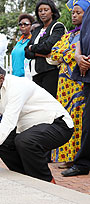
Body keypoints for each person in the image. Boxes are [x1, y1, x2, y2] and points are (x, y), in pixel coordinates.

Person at [0, 63, 74, 183]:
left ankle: (47, 182)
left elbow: (8, 124)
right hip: (34, 128)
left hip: (59, 125)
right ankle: (25, 177)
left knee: (24, 141)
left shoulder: (17, 86)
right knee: (3, 141)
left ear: (1, 78)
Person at [50, 0, 90, 169]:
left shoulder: (85, 35)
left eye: (78, 13)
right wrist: (72, 54)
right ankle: (66, 156)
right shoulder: (68, 35)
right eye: (73, 13)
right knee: (64, 118)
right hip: (64, 85)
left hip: (79, 83)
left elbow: (63, 54)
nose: (74, 15)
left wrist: (67, 55)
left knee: (80, 119)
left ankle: (77, 157)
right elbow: (53, 52)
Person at [61, 3, 90, 177]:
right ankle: (83, 163)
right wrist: (78, 56)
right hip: (87, 75)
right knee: (87, 122)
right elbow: (81, 40)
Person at [24, 0, 66, 98]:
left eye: (46, 10)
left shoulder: (57, 27)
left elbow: (47, 47)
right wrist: (38, 53)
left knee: (50, 102)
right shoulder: (37, 30)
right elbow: (26, 52)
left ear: (52, 12)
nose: (42, 13)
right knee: (38, 104)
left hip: (50, 71)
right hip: (35, 72)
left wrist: (32, 48)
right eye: (40, 11)